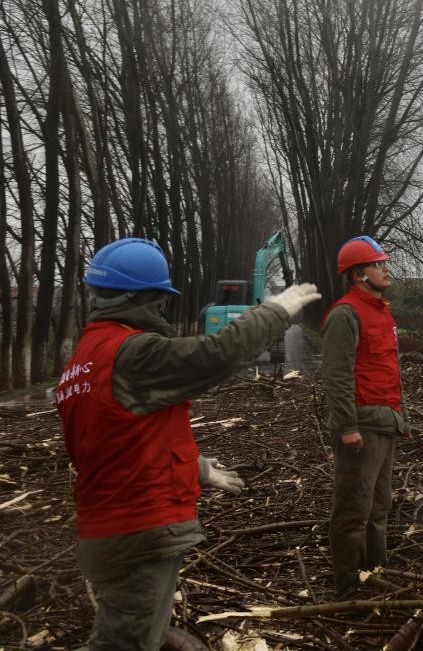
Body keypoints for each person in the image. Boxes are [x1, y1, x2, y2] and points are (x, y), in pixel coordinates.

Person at [56, 238, 320, 650]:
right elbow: (216, 354)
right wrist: (273, 312)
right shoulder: (132, 353)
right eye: (159, 300)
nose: (161, 310)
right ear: (143, 298)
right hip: (138, 527)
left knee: (142, 634)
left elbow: (119, 446)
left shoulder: (84, 361)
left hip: (113, 524)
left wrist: (197, 468)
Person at [321, 234, 407, 600]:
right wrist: (346, 426)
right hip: (362, 426)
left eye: (384, 263)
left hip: (385, 422)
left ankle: (375, 573)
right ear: (358, 274)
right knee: (353, 508)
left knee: (379, 506)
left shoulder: (381, 311)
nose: (386, 269)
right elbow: (337, 375)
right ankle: (346, 586)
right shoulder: (344, 314)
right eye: (378, 264)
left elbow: (386, 369)